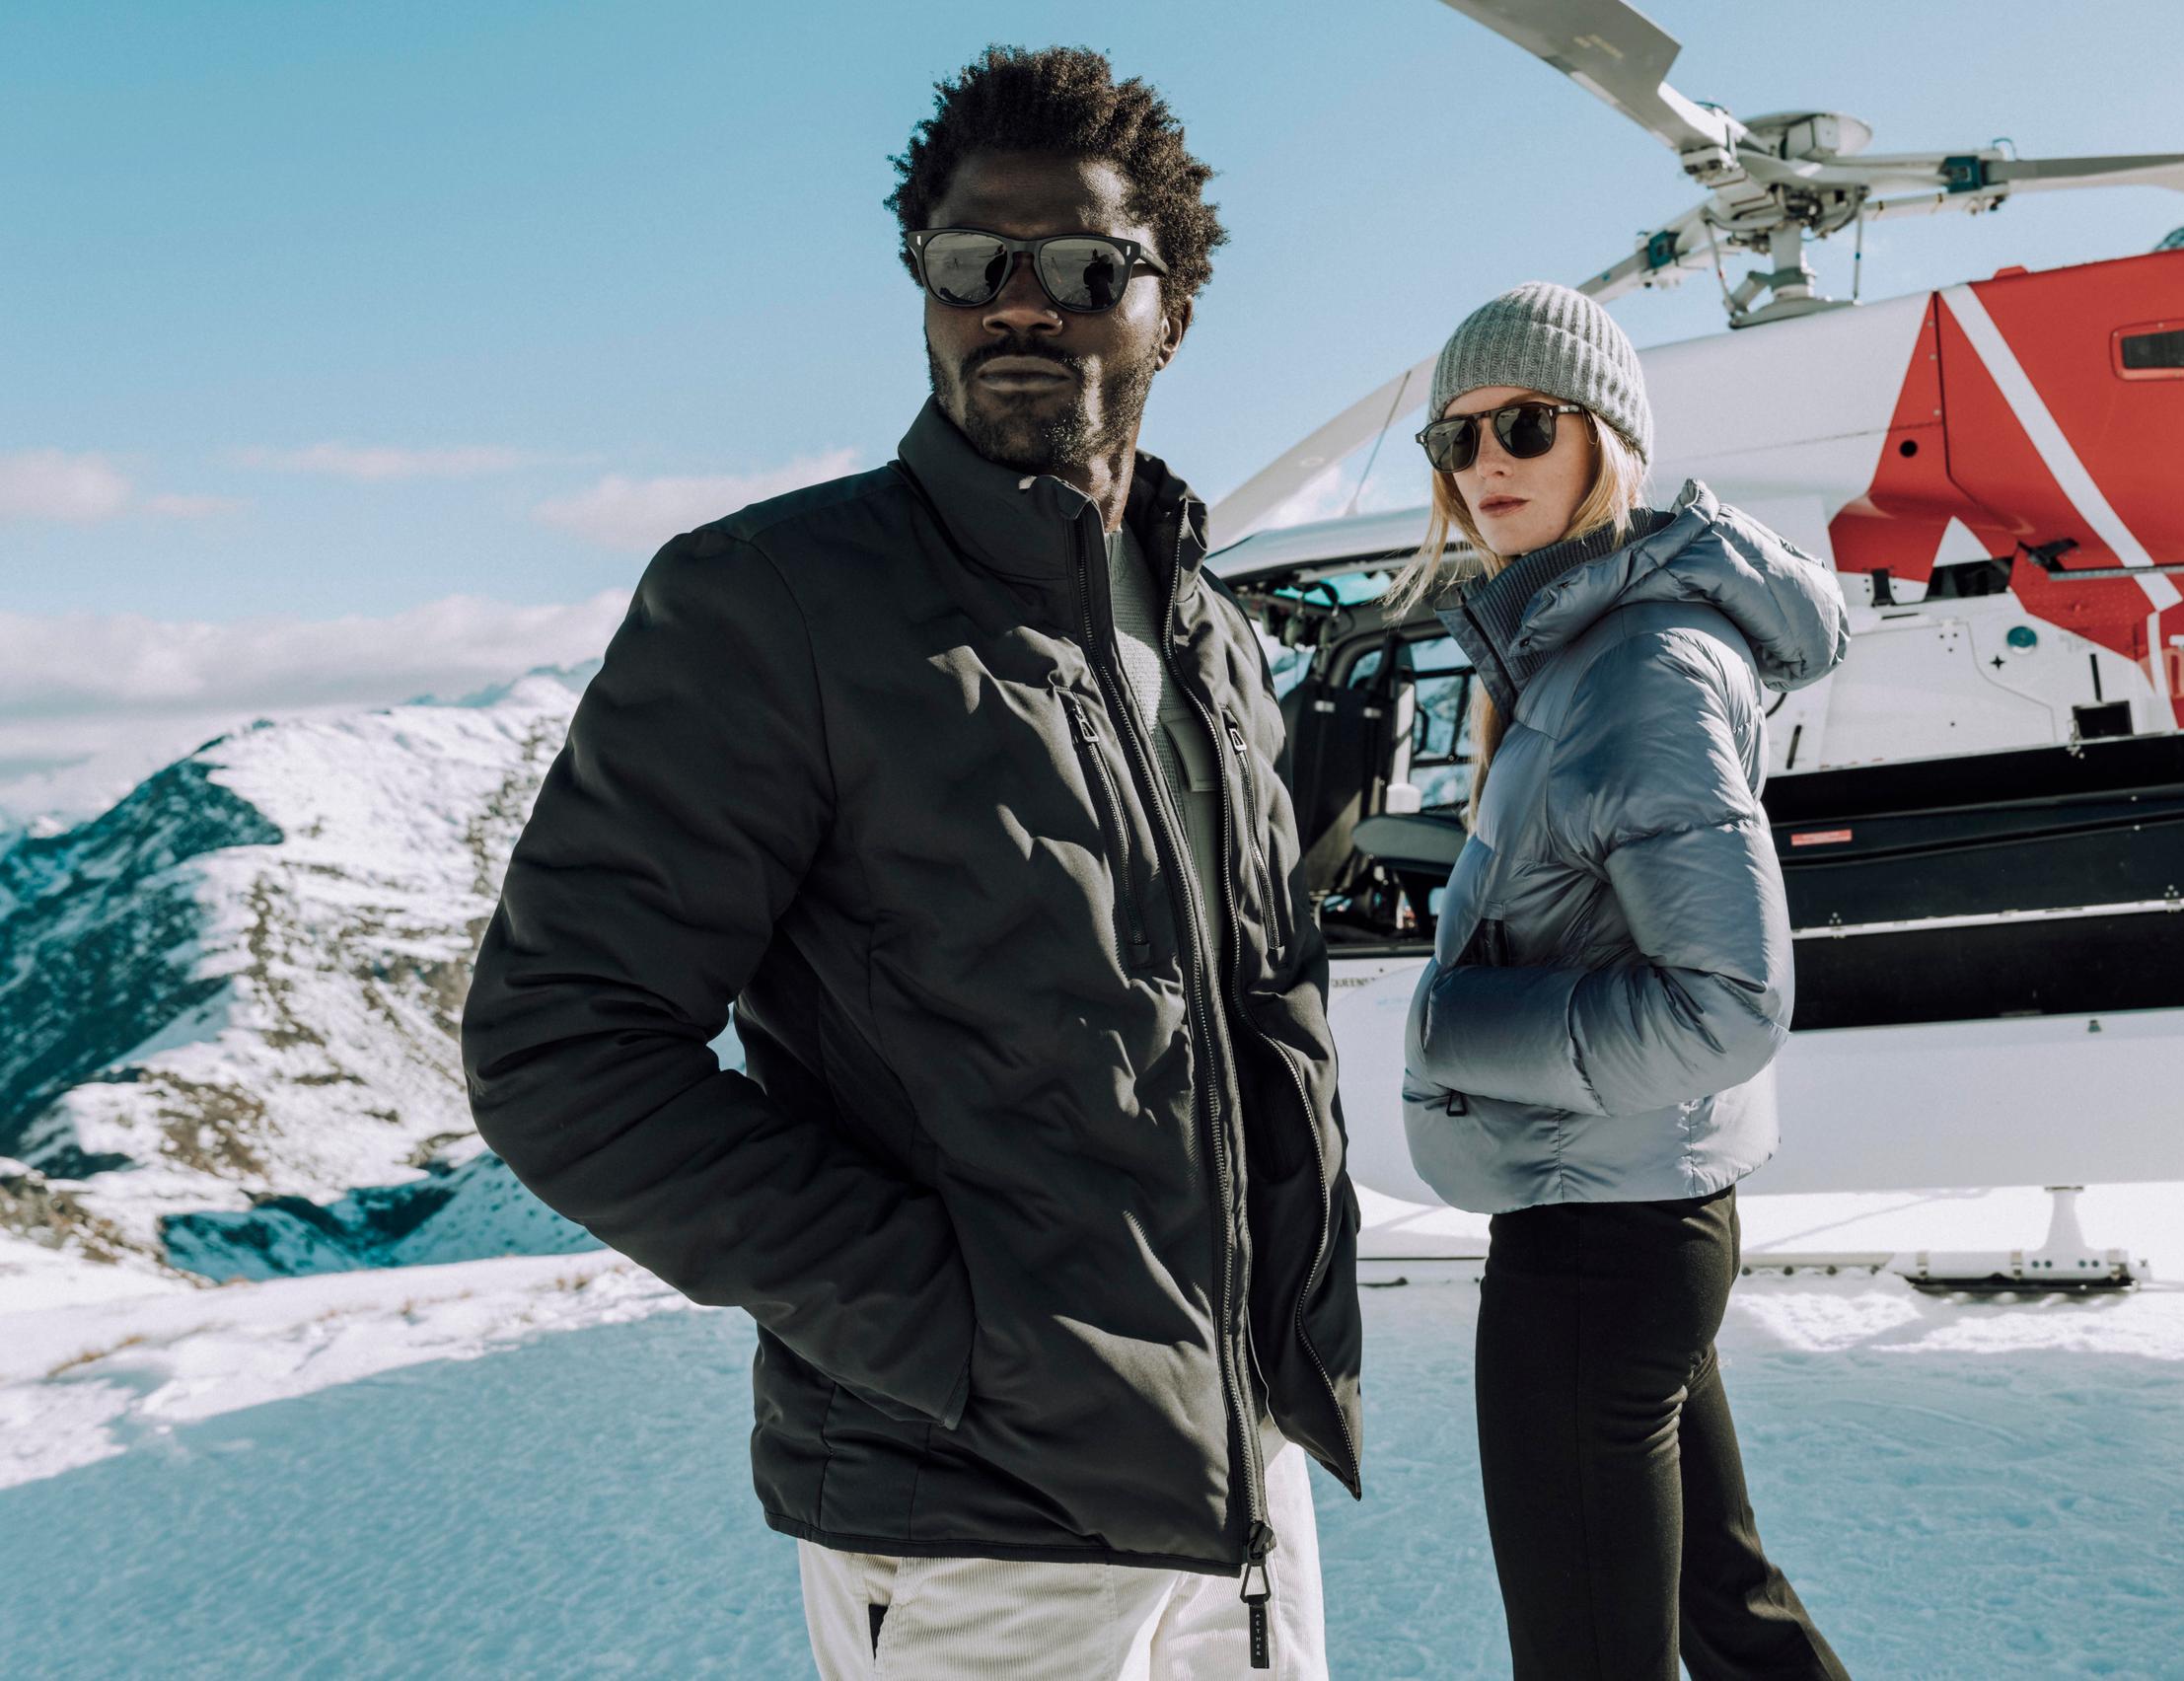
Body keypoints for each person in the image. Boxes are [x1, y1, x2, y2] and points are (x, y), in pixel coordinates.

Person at [459, 45, 1362, 1680]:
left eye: (1087, 266)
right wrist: (959, 1339)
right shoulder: (775, 604)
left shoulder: (1217, 639)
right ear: (924, 287)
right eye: (973, 264)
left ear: (1172, 306)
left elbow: (1252, 1027)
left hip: (1239, 1495)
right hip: (973, 1532)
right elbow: (558, 1048)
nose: (1024, 304)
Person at [1390, 282, 1853, 1680]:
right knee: (1733, 1615)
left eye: (1525, 425)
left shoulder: (1641, 663)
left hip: (1601, 1245)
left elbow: (1727, 1003)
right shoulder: (1581, 650)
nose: (1486, 466)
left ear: (1609, 438)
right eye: (1456, 441)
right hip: (1630, 1213)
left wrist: (1465, 1024)